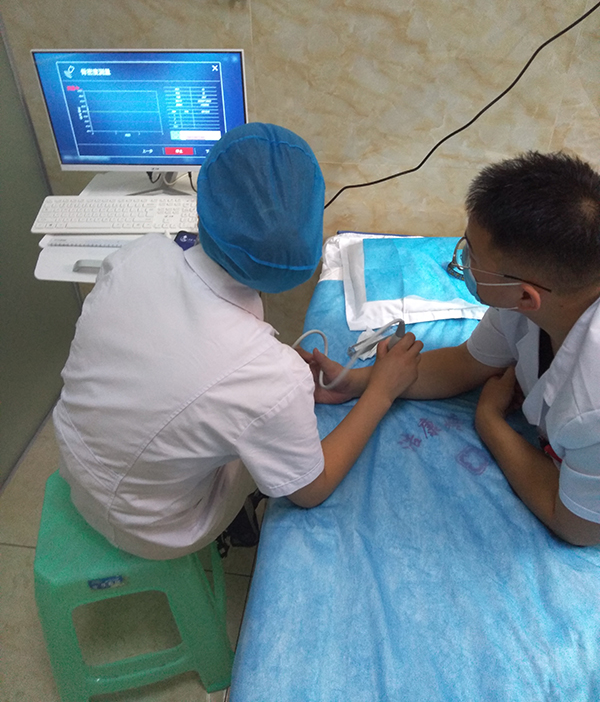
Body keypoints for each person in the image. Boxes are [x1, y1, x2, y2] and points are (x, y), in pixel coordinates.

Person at [53, 122, 423, 560]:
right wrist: (380, 391)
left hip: (74, 459)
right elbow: (311, 490)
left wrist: (276, 391)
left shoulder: (141, 254)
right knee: (268, 452)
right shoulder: (270, 375)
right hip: (147, 526)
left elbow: (167, 361)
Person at [307, 151, 600, 547]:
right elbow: (464, 363)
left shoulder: (592, 403)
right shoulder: (532, 304)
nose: (460, 260)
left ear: (526, 296)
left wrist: (490, 422)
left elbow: (578, 526)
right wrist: (356, 382)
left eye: (472, 255)